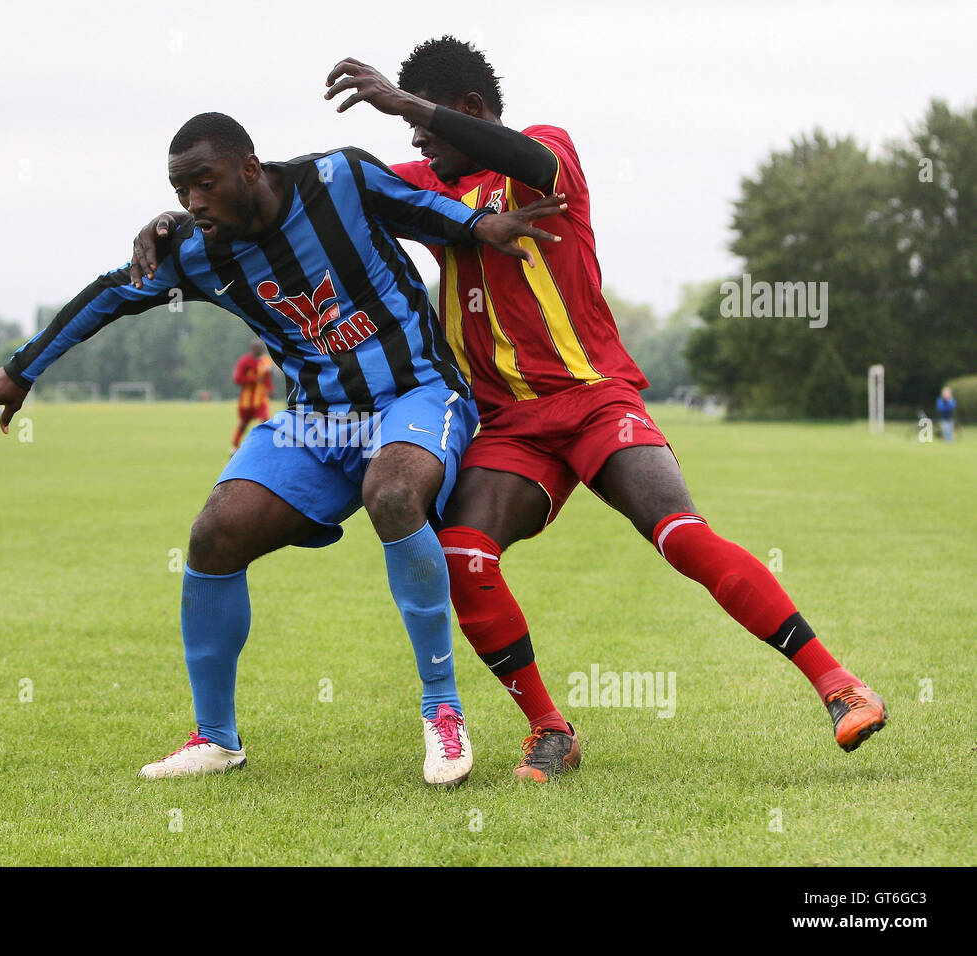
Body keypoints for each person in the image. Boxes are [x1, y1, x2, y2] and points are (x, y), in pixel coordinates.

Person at [312, 39, 891, 778]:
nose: (417, 142)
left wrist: (404, 99)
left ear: (471, 111)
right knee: (462, 552)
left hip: (592, 398)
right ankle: (551, 730)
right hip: (510, 424)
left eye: (425, 128)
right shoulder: (429, 185)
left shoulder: (544, 150)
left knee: (680, 534)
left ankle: (839, 685)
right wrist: (187, 223)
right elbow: (317, 197)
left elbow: (532, 162)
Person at [0, 112, 560, 786]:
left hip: (417, 394)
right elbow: (111, 294)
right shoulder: (196, 251)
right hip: (319, 420)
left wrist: (484, 225)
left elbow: (429, 210)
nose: (194, 200)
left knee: (393, 493)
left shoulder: (339, 177)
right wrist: (22, 370)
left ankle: (442, 710)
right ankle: (215, 738)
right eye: (180, 188)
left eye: (206, 181)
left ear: (249, 168)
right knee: (215, 534)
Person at [231, 340, 273, 453]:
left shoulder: (265, 361)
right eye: (259, 348)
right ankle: (234, 448)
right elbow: (237, 379)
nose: (262, 350)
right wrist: (254, 379)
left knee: (265, 422)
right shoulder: (244, 361)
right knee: (243, 425)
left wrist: (270, 389)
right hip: (246, 401)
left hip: (261, 400)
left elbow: (268, 377)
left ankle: (265, 448)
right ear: (253, 349)